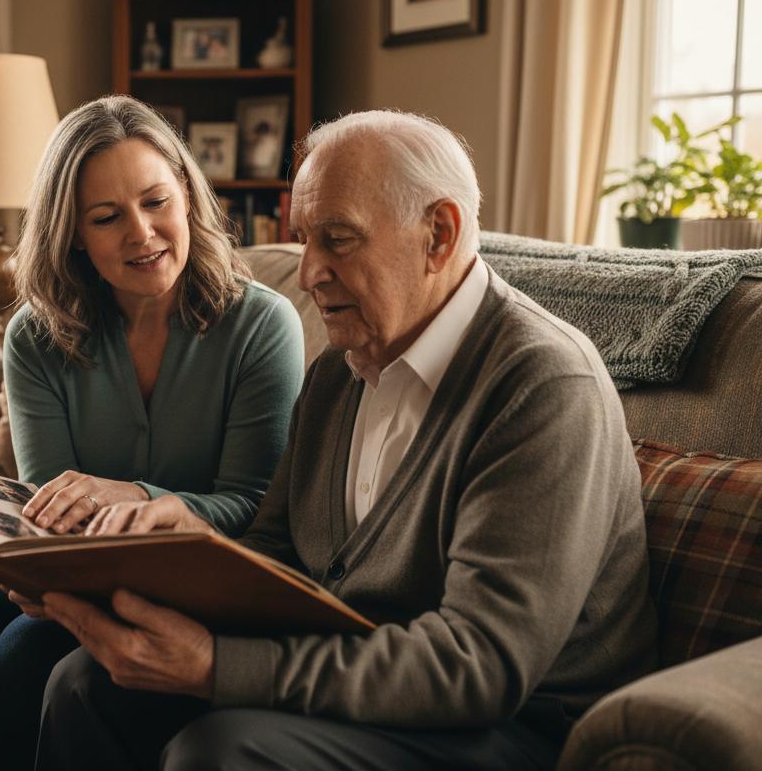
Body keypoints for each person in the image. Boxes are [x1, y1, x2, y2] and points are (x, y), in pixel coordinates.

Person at [34, 110, 658, 771]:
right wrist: (171, 558)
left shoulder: (542, 383)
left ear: (438, 235)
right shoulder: (343, 366)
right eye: (304, 241)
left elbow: (479, 666)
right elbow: (276, 551)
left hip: (515, 726)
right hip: (360, 677)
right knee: (83, 686)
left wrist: (216, 666)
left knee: (217, 752)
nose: (307, 274)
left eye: (338, 240)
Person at [0, 94, 305, 771]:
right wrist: (30, 563)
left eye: (156, 202)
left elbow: (253, 506)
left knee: (21, 659)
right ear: (74, 234)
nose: (142, 234)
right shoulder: (34, 333)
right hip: (74, 560)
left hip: (194, 573)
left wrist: (136, 496)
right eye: (108, 218)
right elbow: (44, 500)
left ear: (188, 199)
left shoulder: (262, 325)